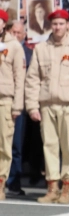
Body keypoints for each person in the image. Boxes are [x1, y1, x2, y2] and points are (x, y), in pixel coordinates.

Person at [24, 9, 69, 204]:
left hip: (68, 105)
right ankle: (52, 187)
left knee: (68, 148)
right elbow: (33, 79)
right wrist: (32, 106)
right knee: (49, 146)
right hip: (47, 104)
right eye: (55, 24)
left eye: (61, 24)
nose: (58, 27)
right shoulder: (42, 48)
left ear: (67, 25)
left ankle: (67, 188)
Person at [0, 10, 24, 198]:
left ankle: (1, 181)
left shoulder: (14, 46)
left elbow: (20, 77)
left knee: (4, 144)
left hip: (4, 100)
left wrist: (17, 105)